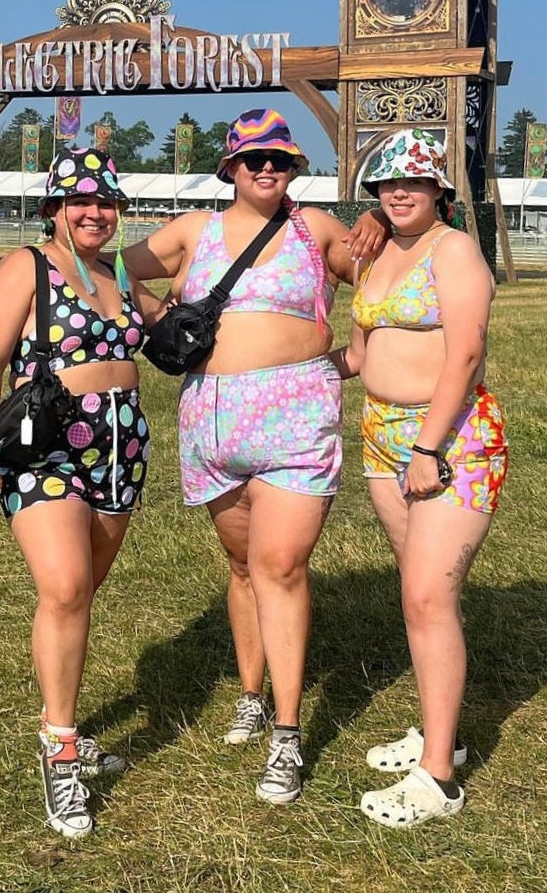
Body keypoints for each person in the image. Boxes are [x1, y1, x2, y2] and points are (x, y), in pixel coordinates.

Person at [122, 109, 383, 807]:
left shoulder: (317, 227)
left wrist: (379, 235)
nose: (266, 169)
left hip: (296, 417)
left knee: (281, 566)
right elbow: (111, 265)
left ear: (294, 167)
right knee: (241, 567)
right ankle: (249, 693)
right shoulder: (193, 231)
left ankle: (289, 733)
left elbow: (386, 284)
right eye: (252, 160)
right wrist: (157, 316)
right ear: (230, 168)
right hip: (212, 421)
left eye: (279, 160)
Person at [0, 148, 163, 840]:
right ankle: (59, 749)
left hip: (122, 448)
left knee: (83, 593)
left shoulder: (118, 273)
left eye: (106, 202)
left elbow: (176, 333)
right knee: (65, 588)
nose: (94, 212)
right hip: (45, 446)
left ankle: (67, 731)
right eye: (79, 201)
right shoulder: (27, 267)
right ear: (53, 208)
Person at [333, 127, 510, 828]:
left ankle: (437, 779)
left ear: (439, 189)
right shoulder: (376, 254)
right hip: (382, 440)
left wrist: (429, 448)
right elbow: (356, 353)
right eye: (385, 183)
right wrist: (274, 361)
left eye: (412, 181)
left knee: (426, 599)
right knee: (419, 596)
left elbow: (464, 353)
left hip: (450, 442)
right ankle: (440, 735)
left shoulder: (454, 250)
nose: (398, 192)